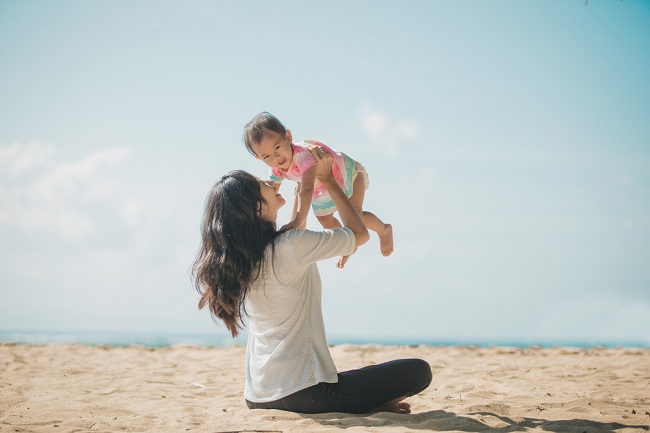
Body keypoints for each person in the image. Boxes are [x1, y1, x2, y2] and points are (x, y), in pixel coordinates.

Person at [191, 146, 432, 414]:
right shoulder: (290, 246)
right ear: (257, 207)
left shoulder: (245, 261)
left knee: (364, 377)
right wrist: (327, 178)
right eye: (262, 184)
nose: (271, 181)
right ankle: (374, 405)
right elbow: (359, 234)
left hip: (258, 396)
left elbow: (298, 227)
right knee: (419, 371)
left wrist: (303, 178)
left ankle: (374, 404)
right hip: (306, 395)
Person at [243, 111, 393, 268]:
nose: (276, 157)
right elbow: (270, 193)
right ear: (259, 158)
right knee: (325, 219)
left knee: (356, 216)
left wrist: (298, 219)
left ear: (288, 137)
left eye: (277, 148)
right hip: (322, 189)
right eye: (266, 156)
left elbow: (306, 189)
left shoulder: (303, 156)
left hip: (347, 175)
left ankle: (384, 229)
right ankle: (347, 244)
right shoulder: (276, 168)